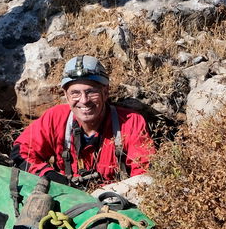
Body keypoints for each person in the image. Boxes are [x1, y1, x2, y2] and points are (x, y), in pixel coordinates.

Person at [13, 55, 155, 185]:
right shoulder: (56, 118)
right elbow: (21, 152)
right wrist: (49, 175)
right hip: (69, 198)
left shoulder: (130, 122)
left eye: (91, 92)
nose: (84, 100)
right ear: (66, 96)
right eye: (75, 93)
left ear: (105, 93)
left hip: (115, 201)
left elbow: (145, 172)